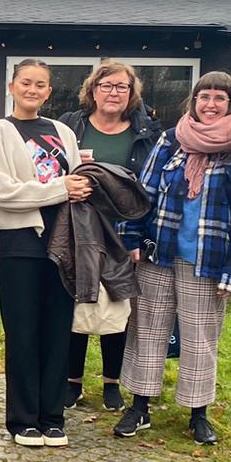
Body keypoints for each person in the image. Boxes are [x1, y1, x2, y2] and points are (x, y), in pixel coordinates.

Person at [115, 71, 231, 445]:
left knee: (200, 337)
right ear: (193, 102)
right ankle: (140, 405)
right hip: (159, 254)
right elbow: (142, 194)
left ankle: (198, 413)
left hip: (208, 261)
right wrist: (131, 237)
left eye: (219, 98)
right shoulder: (171, 141)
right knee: (147, 329)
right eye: (204, 97)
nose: (210, 104)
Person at [0, 59, 87, 447]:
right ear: (11, 87)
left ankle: (52, 415)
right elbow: (2, 192)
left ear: (49, 92)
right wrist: (59, 189)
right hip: (21, 244)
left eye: (41, 85)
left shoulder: (62, 132)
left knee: (58, 330)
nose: (33, 90)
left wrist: (80, 184)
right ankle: (23, 418)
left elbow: (79, 182)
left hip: (63, 244)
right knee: (23, 332)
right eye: (26, 83)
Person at [59, 61, 161, 412]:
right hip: (78, 227)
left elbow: (149, 190)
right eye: (106, 85)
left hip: (123, 232)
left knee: (118, 305)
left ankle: (112, 382)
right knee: (78, 299)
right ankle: (72, 381)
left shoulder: (145, 134)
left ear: (132, 95)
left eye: (121, 87)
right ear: (92, 90)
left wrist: (139, 237)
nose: (113, 92)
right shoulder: (73, 126)